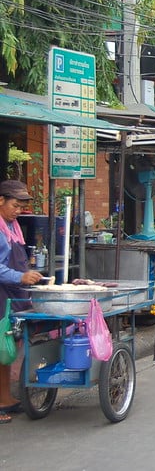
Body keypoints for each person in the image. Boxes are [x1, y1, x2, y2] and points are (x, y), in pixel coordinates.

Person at [0, 180, 43, 424]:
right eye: (15, 205)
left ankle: (5, 398)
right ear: (0, 200)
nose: (18, 210)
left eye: (21, 206)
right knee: (0, 350)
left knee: (5, 351)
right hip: (1, 294)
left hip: (12, 295)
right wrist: (21, 276)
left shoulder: (12, 226)